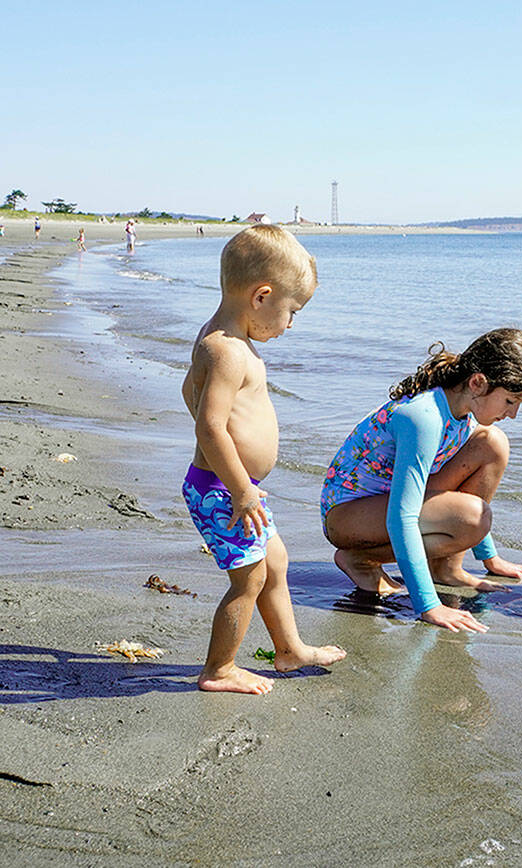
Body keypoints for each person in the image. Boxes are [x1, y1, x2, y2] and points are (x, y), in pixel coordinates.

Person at [181, 224, 345, 693]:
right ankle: (219, 669)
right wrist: (240, 487)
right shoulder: (227, 351)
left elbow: (189, 392)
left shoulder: (221, 340)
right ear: (261, 296)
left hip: (234, 488)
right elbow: (209, 426)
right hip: (225, 491)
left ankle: (289, 648)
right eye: (291, 311)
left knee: (276, 561)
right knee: (249, 579)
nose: (290, 323)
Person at [322, 328, 522, 633]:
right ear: (478, 382)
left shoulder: (464, 410)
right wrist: (428, 605)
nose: (513, 413)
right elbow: (402, 516)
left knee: (493, 443)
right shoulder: (424, 417)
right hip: (348, 514)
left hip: (385, 502)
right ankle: (360, 560)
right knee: (471, 517)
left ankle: (446, 567)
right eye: (510, 401)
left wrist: (490, 558)